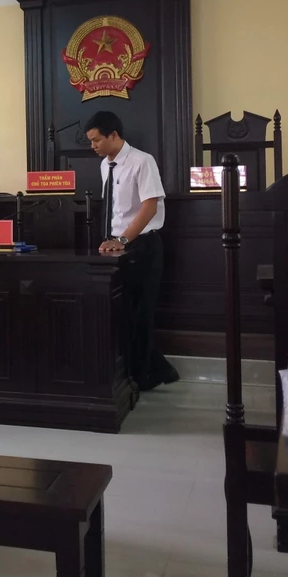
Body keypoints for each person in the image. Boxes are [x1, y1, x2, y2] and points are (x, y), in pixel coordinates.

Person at [84, 111, 180, 391]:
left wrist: (124, 240)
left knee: (142, 312)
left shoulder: (142, 161)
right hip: (117, 246)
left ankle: (144, 377)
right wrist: (112, 240)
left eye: (97, 140)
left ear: (113, 135)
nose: (93, 146)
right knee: (124, 312)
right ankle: (153, 370)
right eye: (91, 141)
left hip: (142, 245)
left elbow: (149, 206)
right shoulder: (105, 165)